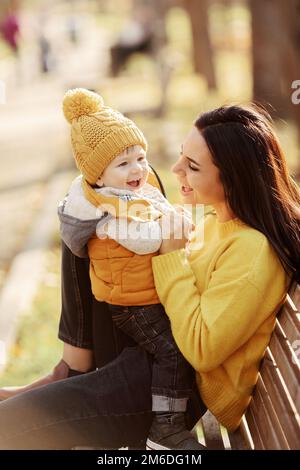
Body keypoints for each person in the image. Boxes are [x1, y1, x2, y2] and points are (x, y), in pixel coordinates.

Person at [0, 103, 299, 450]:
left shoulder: (252, 251)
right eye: (181, 157)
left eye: (192, 166)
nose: (176, 170)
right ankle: (72, 367)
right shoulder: (219, 222)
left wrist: (170, 256)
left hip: (172, 387)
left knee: (10, 426)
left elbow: (201, 351)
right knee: (91, 202)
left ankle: (72, 369)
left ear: (233, 180)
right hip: (151, 354)